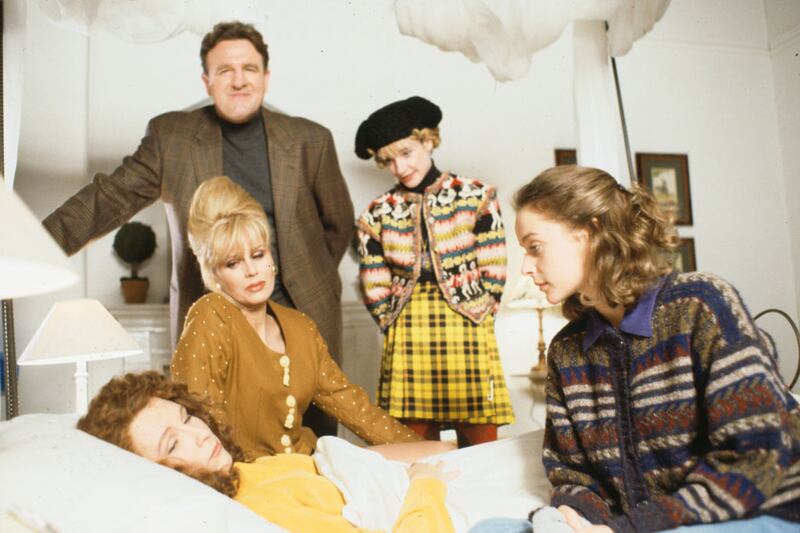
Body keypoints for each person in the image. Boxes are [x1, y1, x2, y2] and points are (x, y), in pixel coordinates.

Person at [472, 165, 800, 532]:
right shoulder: (566, 351)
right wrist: (573, 517)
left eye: (535, 247)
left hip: (756, 511)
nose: (527, 269)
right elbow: (573, 475)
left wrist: (625, 528)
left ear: (591, 231)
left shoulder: (701, 305)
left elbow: (755, 455)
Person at [41, 20, 352, 365]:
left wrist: (304, 273)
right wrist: (36, 246)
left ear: (266, 77)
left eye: (249, 68)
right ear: (207, 81)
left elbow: (337, 225)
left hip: (302, 316)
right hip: (213, 321)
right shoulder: (172, 137)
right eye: (224, 71)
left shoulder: (311, 140)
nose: (238, 80)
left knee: (312, 418)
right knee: (211, 419)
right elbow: (109, 197)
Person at [172, 176, 423, 459]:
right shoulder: (211, 315)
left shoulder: (299, 325)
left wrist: (422, 450)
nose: (253, 271)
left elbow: (357, 410)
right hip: (253, 482)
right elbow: (199, 419)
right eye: (233, 263)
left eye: (258, 254)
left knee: (435, 463)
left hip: (311, 467)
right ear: (214, 273)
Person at [77, 371, 456, 533]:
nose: (198, 433)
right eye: (173, 443)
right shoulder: (251, 516)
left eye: (187, 417)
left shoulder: (245, 474)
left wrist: (433, 454)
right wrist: (426, 484)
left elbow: (335, 462)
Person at [353, 96, 514, 447]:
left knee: (480, 437)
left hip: (467, 320)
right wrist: (389, 319)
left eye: (406, 152)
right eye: (388, 160)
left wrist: (482, 310)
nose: (399, 167)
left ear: (428, 141)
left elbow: (494, 262)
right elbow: (373, 276)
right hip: (407, 325)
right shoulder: (377, 213)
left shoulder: (475, 196)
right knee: (411, 440)